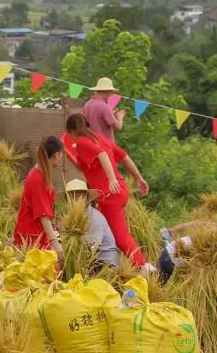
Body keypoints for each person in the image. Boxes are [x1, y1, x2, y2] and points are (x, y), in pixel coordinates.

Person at [62, 113, 149, 267]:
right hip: (118, 191)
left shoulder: (82, 142)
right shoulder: (98, 138)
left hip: (110, 195)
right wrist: (138, 178)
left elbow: (102, 155)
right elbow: (124, 157)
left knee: (121, 238)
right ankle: (118, 268)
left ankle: (144, 269)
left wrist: (111, 179)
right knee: (110, 235)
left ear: (72, 131)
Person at [13, 135, 63, 258]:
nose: (62, 158)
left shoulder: (39, 172)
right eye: (62, 154)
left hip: (35, 234)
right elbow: (43, 216)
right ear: (56, 155)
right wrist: (55, 242)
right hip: (31, 238)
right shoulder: (38, 180)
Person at [64, 178, 122, 270]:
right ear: (66, 199)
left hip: (105, 264)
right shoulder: (71, 217)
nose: (76, 200)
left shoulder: (95, 218)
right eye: (72, 196)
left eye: (80, 196)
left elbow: (92, 249)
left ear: (86, 198)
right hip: (87, 262)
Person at [81, 77, 125, 142]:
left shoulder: (88, 104)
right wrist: (120, 117)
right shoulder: (104, 107)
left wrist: (111, 114)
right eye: (111, 92)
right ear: (108, 91)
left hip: (91, 143)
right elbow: (118, 127)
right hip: (104, 145)